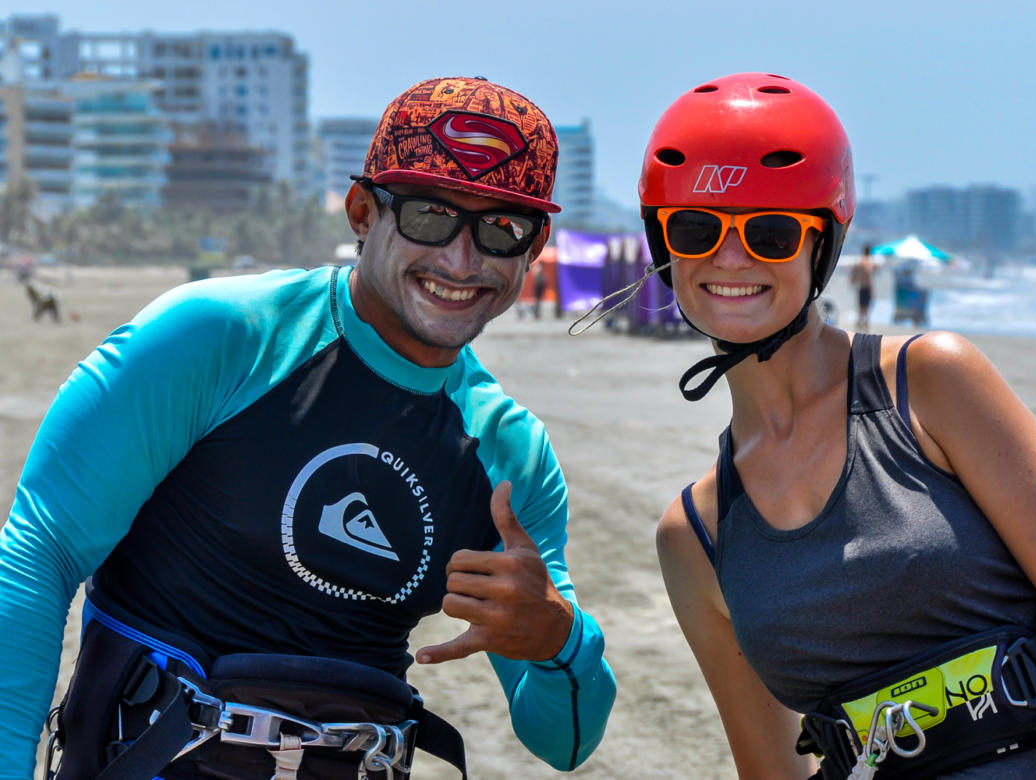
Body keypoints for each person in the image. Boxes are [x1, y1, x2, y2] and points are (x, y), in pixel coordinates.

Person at [0, 76, 616, 779]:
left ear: (534, 249)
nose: (460, 259)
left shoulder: (509, 455)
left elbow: (561, 742)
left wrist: (560, 642)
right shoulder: (220, 337)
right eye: (428, 216)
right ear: (362, 212)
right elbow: (38, 554)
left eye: (502, 228)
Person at [642, 72, 1036, 778]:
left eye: (769, 233)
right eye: (698, 229)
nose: (730, 258)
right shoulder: (695, 537)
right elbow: (769, 772)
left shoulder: (931, 383)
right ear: (663, 243)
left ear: (820, 244)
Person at [849, 244, 876, 331]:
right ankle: (866, 331)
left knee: (860, 311)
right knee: (867, 311)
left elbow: (853, 274)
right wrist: (872, 289)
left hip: (860, 287)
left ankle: (856, 329)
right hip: (867, 288)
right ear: (870, 252)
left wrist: (853, 282)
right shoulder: (868, 262)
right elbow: (868, 275)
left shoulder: (859, 261)